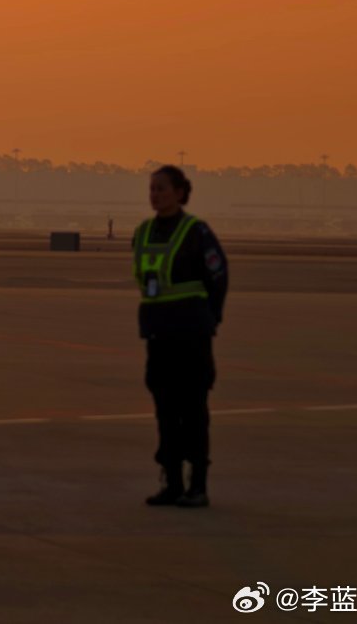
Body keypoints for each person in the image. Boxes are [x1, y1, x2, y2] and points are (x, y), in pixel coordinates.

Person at [132, 164, 228, 508]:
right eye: (152, 188)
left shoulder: (196, 232)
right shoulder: (143, 232)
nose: (155, 194)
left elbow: (218, 276)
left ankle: (197, 485)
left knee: (194, 410)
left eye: (161, 188)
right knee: (165, 410)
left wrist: (210, 318)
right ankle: (171, 482)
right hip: (159, 335)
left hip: (191, 336)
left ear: (179, 192)